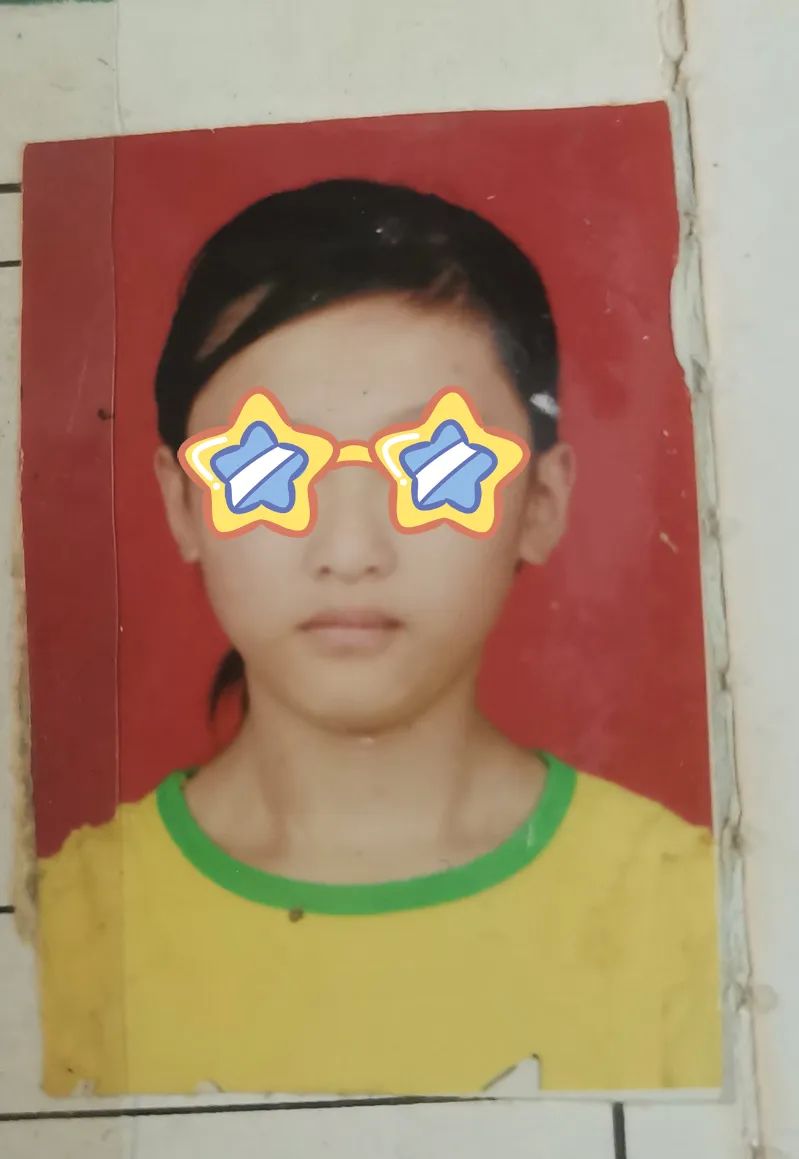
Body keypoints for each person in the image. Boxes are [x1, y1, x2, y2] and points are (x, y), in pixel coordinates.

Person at [37, 179, 721, 1097]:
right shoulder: (61, 934)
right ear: (182, 503)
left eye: (436, 466)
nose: (350, 550)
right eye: (266, 466)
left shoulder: (691, 919)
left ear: (541, 503)